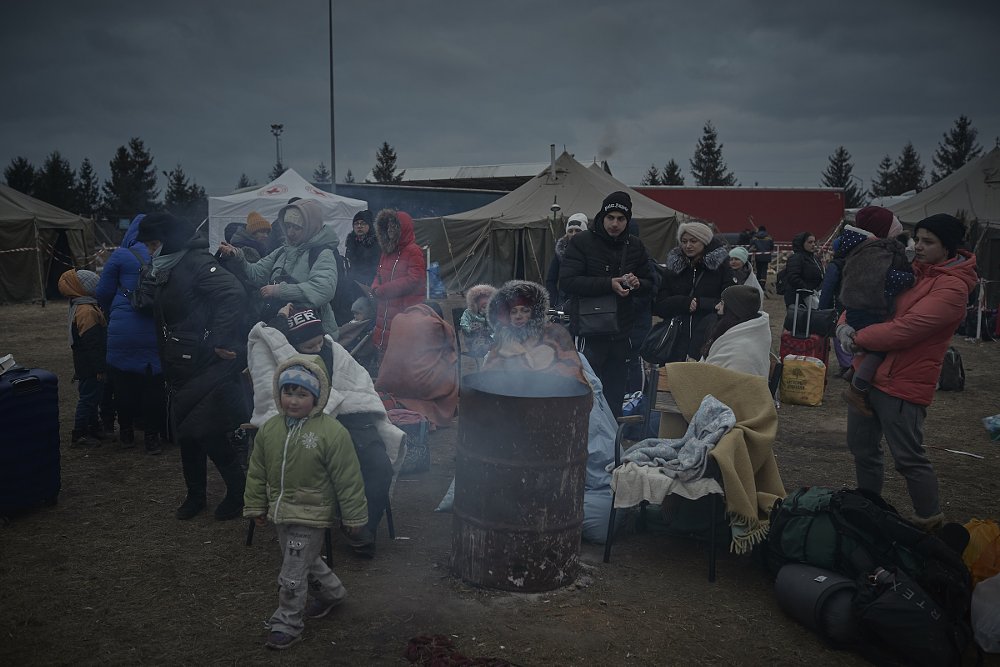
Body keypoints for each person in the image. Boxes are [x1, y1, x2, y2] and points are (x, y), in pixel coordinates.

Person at [837, 214, 977, 531]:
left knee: (908, 458)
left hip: (902, 382)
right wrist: (844, 324)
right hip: (867, 373)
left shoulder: (953, 288)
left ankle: (929, 520)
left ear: (948, 247)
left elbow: (907, 329)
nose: (918, 246)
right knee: (863, 450)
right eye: (917, 239)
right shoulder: (909, 269)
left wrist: (858, 338)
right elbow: (865, 290)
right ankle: (867, 510)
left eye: (928, 242)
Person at [244, 356, 368, 650]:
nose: (294, 400)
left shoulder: (332, 433)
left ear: (317, 396)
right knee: (304, 560)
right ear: (279, 393)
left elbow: (348, 478)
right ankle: (333, 594)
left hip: (313, 513)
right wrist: (256, 506)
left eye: (302, 394)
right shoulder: (270, 429)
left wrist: (353, 516)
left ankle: (287, 622)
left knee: (292, 572)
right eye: (288, 392)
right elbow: (257, 471)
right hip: (282, 511)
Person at [136, 212, 248, 521]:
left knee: (206, 429)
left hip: (203, 361)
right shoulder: (168, 266)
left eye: (153, 244)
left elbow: (233, 293)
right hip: (181, 360)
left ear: (168, 241)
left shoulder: (196, 262)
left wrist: (218, 338)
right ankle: (195, 495)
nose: (150, 250)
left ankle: (238, 492)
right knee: (187, 429)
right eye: (147, 245)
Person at [560, 192, 654, 419]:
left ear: (627, 220)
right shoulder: (582, 242)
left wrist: (637, 283)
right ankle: (583, 436)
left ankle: (611, 443)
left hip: (621, 331)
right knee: (586, 388)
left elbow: (651, 282)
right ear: (602, 216)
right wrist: (608, 284)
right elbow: (567, 281)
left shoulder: (635, 245)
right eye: (610, 217)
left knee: (614, 392)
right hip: (588, 330)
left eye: (621, 219)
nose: (615, 223)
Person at [219, 199, 342, 340]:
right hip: (284, 330)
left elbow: (322, 290)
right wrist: (238, 255)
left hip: (313, 336)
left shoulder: (322, 254)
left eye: (297, 228)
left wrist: (279, 290)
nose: (290, 232)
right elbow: (257, 274)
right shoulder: (282, 252)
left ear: (310, 227)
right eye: (288, 226)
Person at [95, 213, 166, 454]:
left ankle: (125, 434)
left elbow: (102, 292)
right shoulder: (162, 255)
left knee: (123, 384)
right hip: (153, 327)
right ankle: (152, 437)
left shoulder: (120, 256)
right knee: (153, 385)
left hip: (122, 331)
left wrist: (115, 306)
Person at [833, 206, 913, 416]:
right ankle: (857, 388)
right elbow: (883, 279)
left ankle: (853, 371)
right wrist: (910, 278)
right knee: (878, 348)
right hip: (868, 307)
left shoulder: (861, 247)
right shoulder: (874, 251)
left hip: (857, 306)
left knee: (869, 347)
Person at [652, 220, 733, 363]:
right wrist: (683, 302)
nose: (688, 246)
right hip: (675, 340)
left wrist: (701, 303)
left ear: (705, 241)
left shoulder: (721, 267)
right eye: (684, 241)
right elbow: (659, 305)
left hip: (709, 337)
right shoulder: (673, 268)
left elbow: (729, 302)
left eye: (693, 241)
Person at [482, 280, 586, 384]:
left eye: (525, 310)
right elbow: (489, 376)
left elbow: (572, 374)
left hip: (549, 393)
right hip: (512, 393)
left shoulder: (554, 333)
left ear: (534, 313)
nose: (518, 316)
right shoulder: (502, 338)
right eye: (513, 312)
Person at [57, 269, 107, 448]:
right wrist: (100, 368)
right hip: (90, 366)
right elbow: (92, 344)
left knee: (93, 398)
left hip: (86, 364)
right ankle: (79, 434)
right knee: (88, 399)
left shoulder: (81, 305)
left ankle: (94, 427)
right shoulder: (86, 310)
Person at [371, 209, 426, 353]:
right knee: (385, 350)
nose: (389, 230)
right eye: (387, 226)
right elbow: (379, 274)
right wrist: (374, 287)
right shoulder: (387, 251)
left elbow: (415, 279)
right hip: (385, 308)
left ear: (401, 229)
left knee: (401, 351)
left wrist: (383, 290)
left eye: (392, 226)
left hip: (404, 309)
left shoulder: (413, 250)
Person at [701, 284, 771, 378]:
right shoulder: (739, 334)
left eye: (722, 303)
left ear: (733, 309)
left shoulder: (740, 350)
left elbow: (730, 387)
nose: (717, 307)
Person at [545, 213, 588, 309]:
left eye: (578, 230)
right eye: (570, 231)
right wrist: (554, 301)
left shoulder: (592, 252)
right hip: (563, 301)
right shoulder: (560, 253)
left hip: (585, 302)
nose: (574, 234)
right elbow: (551, 280)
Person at [783, 231, 824, 307]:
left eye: (814, 242)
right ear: (802, 243)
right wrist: (807, 289)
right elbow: (793, 277)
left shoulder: (815, 258)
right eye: (810, 242)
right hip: (798, 298)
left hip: (814, 296)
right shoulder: (795, 258)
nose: (813, 244)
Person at [459, 283, 497, 360]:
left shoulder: (492, 314)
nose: (487, 309)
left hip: (491, 340)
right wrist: (470, 329)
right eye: (484, 306)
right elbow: (463, 324)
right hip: (475, 342)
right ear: (475, 303)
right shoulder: (469, 313)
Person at [345, 210, 380, 288]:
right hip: (353, 282)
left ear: (369, 225)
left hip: (369, 284)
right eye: (356, 223)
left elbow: (375, 268)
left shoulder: (375, 243)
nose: (359, 226)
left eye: (363, 223)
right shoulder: (351, 243)